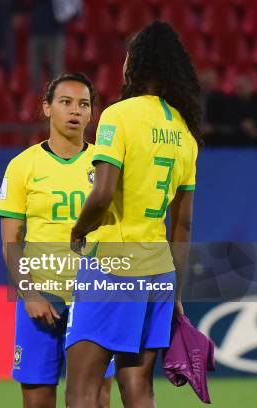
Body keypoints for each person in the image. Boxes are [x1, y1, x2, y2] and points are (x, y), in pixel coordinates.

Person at [65, 21, 200, 408]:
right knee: (138, 388)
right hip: (158, 268)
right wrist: (174, 289)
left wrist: (79, 230)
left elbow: (103, 191)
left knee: (81, 389)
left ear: (138, 64)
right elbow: (184, 224)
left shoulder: (118, 116)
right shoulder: (185, 132)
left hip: (113, 262)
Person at [0, 73, 113, 408]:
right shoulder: (22, 166)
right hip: (41, 298)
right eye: (65, 102)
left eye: (84, 104)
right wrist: (29, 294)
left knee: (97, 396)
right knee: (37, 399)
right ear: (46, 108)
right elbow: (10, 241)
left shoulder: (106, 166)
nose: (75, 111)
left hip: (95, 297)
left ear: (92, 114)